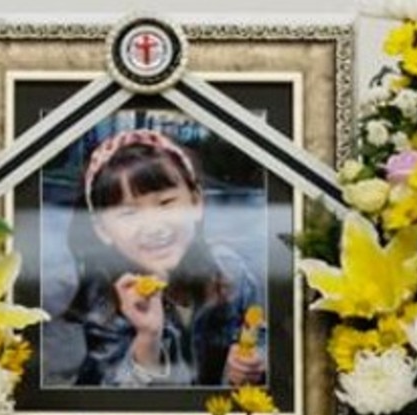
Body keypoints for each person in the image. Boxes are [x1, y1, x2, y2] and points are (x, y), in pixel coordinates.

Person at [58, 128, 266, 388]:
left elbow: (259, 334)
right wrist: (148, 336)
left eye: (166, 203)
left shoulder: (231, 272)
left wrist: (254, 364)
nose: (154, 226)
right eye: (128, 214)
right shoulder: (103, 306)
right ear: (102, 229)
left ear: (196, 202)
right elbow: (104, 402)